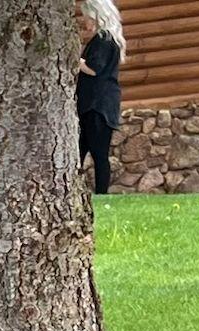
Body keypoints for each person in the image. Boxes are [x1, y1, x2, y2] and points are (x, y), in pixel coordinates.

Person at [77, 0, 126, 195]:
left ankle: (102, 194)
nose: (85, 22)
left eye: (87, 18)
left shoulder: (103, 40)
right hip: (95, 104)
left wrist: (75, 59)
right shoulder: (105, 40)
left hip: (98, 105)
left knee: (98, 153)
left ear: (96, 16)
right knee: (83, 151)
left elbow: (93, 68)